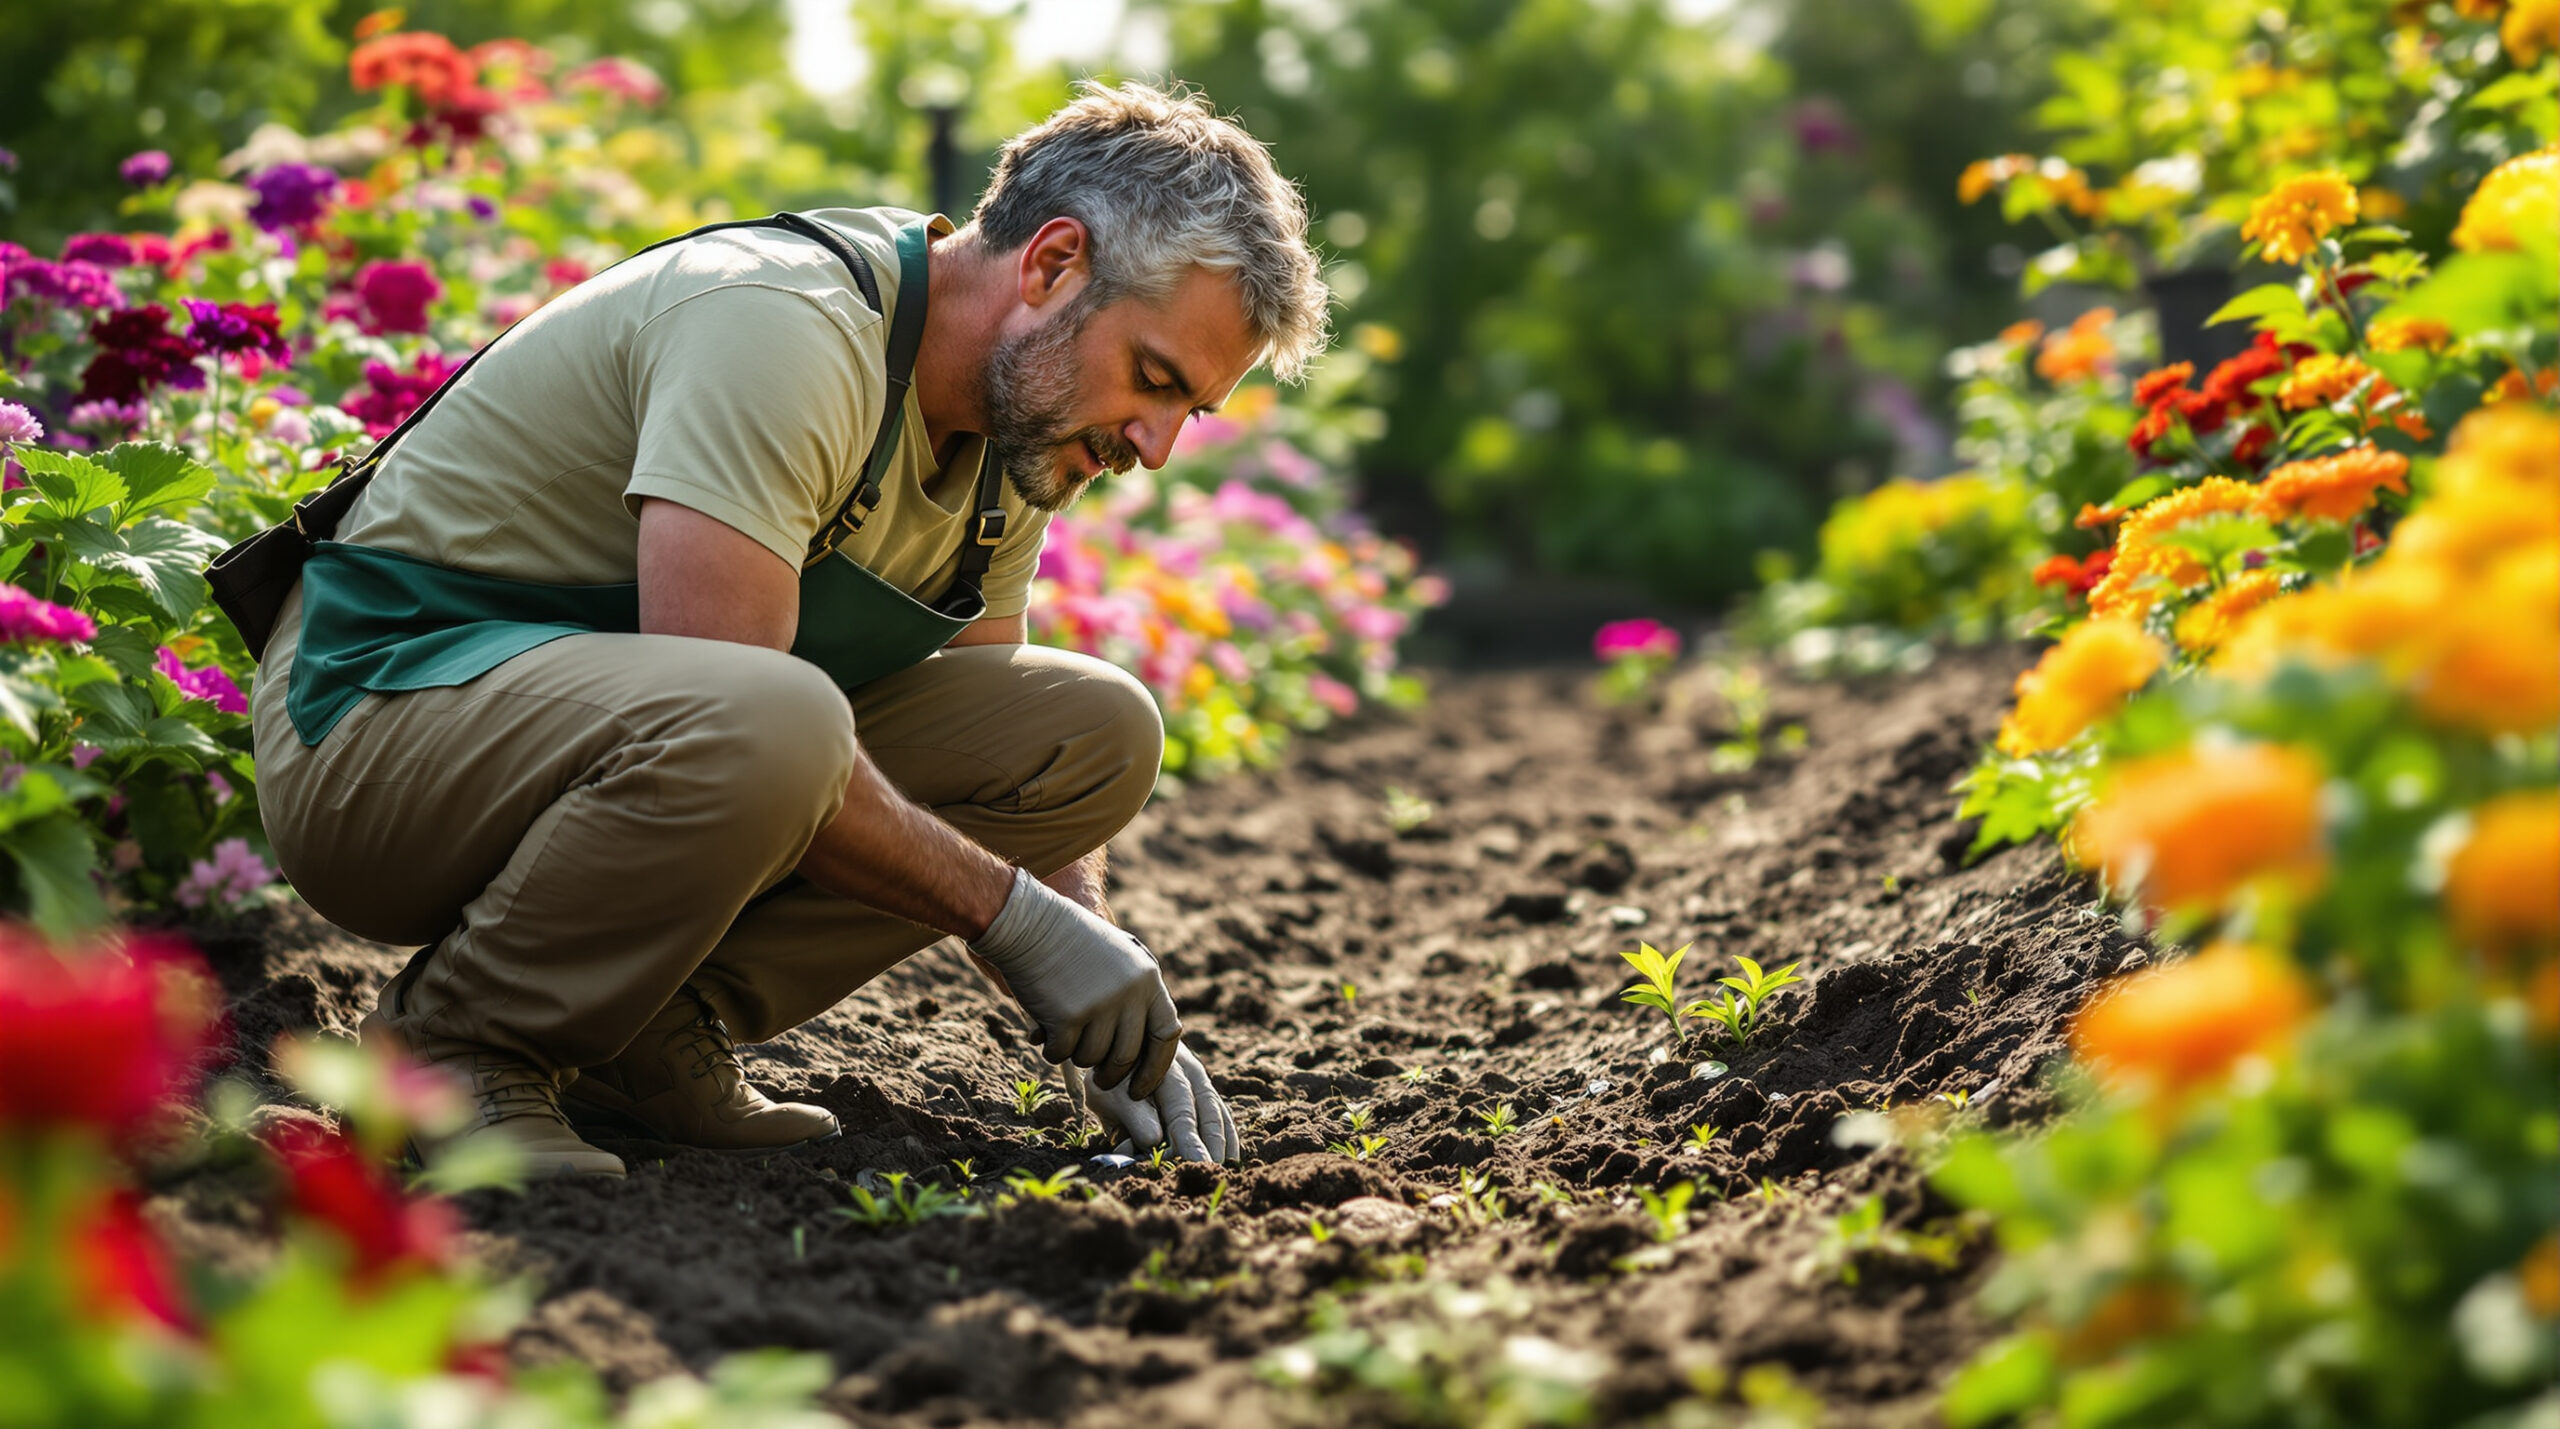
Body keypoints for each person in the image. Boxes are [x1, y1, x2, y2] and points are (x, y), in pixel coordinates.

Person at [245, 81, 1330, 1177]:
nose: (1153, 447)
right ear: (1051, 266)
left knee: (1086, 732)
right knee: (776, 717)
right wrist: (1022, 927)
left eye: (1186, 410)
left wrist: (1095, 999)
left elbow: (989, 754)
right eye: (1151, 378)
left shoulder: (1014, 441)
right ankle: (456, 1046)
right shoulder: (785, 327)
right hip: (374, 726)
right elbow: (740, 707)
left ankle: (639, 1032)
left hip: (590, 747)